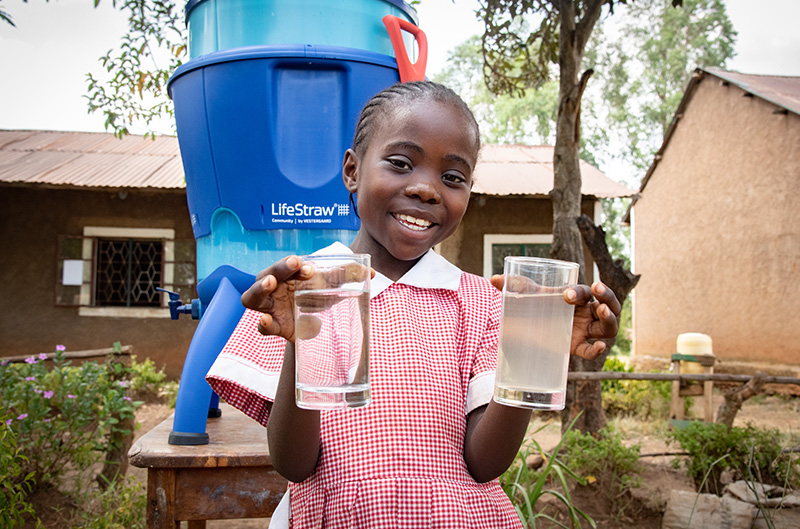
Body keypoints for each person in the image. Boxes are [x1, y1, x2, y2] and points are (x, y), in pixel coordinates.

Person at [206, 81, 621, 528]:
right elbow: (294, 464)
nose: (426, 189)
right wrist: (302, 344)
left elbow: (484, 463)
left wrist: (535, 346)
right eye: (401, 163)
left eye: (453, 178)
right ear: (352, 170)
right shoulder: (304, 289)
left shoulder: (480, 303)